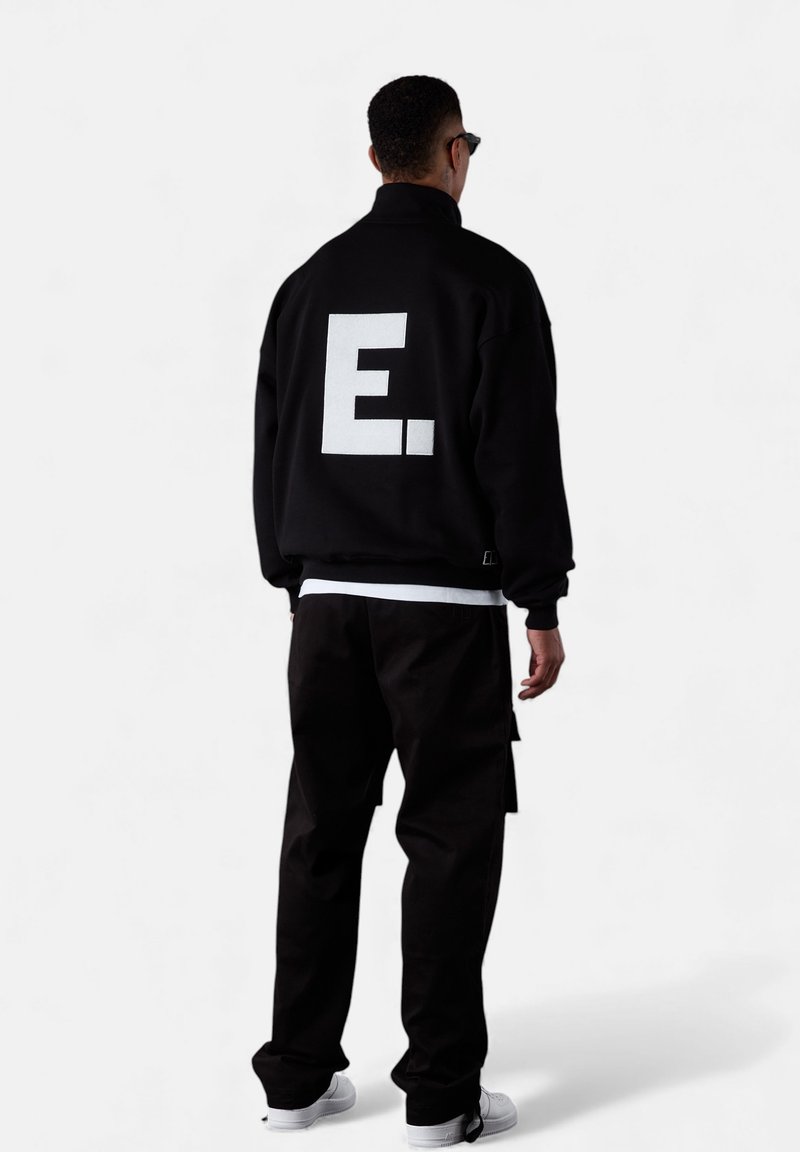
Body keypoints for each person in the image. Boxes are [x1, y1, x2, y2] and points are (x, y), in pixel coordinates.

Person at [250, 74, 575, 1148]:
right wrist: (539, 598)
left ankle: (294, 1080)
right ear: (451, 153)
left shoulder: (306, 285)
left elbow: (273, 438)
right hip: (440, 608)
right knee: (447, 840)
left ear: (373, 158)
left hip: (326, 605)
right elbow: (518, 449)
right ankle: (439, 1097)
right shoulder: (492, 281)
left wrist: (291, 576)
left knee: (318, 834)